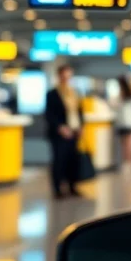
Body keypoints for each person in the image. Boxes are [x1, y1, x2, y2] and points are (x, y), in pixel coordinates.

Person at [44, 65, 83, 199]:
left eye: (69, 75)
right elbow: (49, 115)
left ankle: (72, 186)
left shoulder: (74, 93)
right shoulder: (52, 94)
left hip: (74, 131)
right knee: (59, 161)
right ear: (59, 76)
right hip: (59, 134)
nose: (66, 78)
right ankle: (58, 189)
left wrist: (81, 126)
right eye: (64, 75)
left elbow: (79, 111)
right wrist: (60, 127)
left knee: (73, 161)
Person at [113, 75, 131, 164]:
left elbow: (124, 109)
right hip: (126, 122)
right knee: (127, 143)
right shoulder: (129, 95)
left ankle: (128, 161)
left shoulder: (125, 96)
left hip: (126, 122)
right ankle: (128, 161)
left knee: (127, 143)